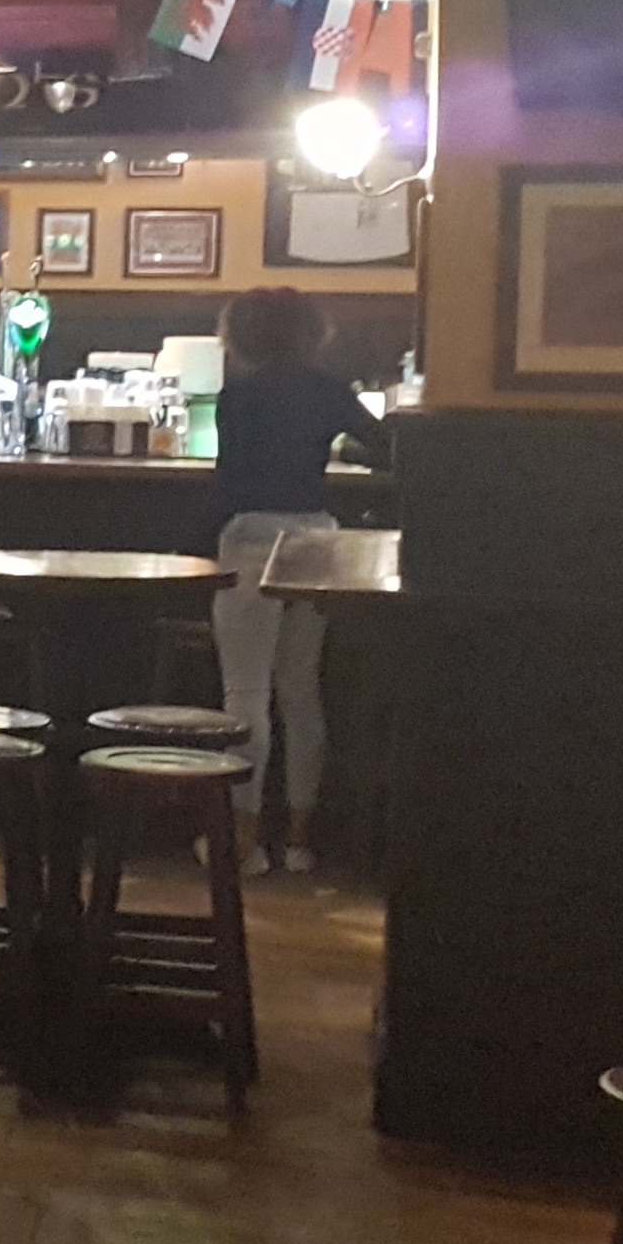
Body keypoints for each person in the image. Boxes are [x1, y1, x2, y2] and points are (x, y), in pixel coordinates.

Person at [210, 286, 367, 875]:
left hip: (252, 535)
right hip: (317, 539)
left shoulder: (239, 394)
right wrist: (346, 447)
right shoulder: (330, 390)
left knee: (246, 691)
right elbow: (390, 447)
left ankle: (243, 841)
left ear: (241, 334)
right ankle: (299, 840)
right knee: (301, 690)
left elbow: (229, 481)